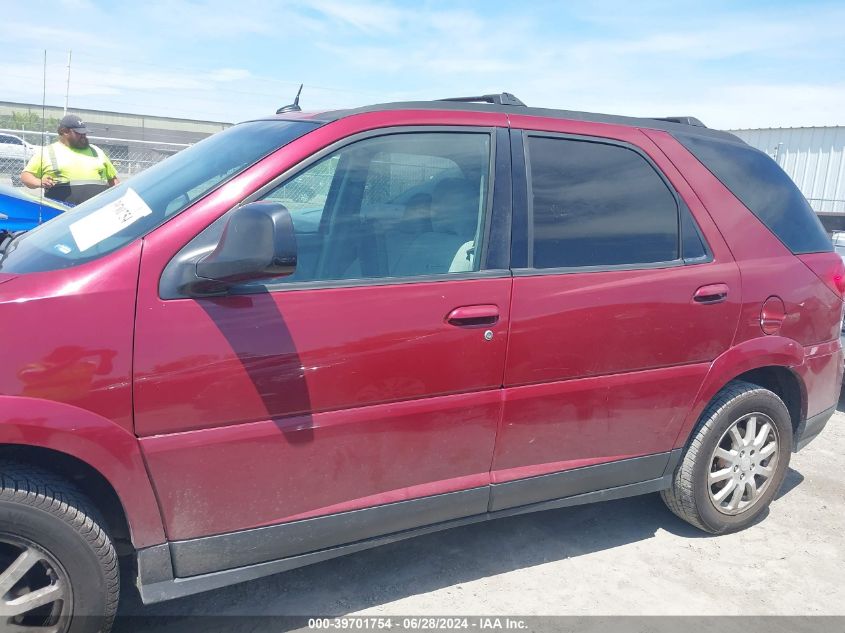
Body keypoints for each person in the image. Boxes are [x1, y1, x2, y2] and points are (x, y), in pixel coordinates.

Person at [20, 114, 120, 205]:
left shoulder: (96, 151)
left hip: (95, 211)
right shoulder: (47, 152)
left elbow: (113, 179)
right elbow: (26, 176)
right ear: (64, 132)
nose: (83, 136)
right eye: (79, 133)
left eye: (85, 133)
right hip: (62, 214)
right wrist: (40, 182)